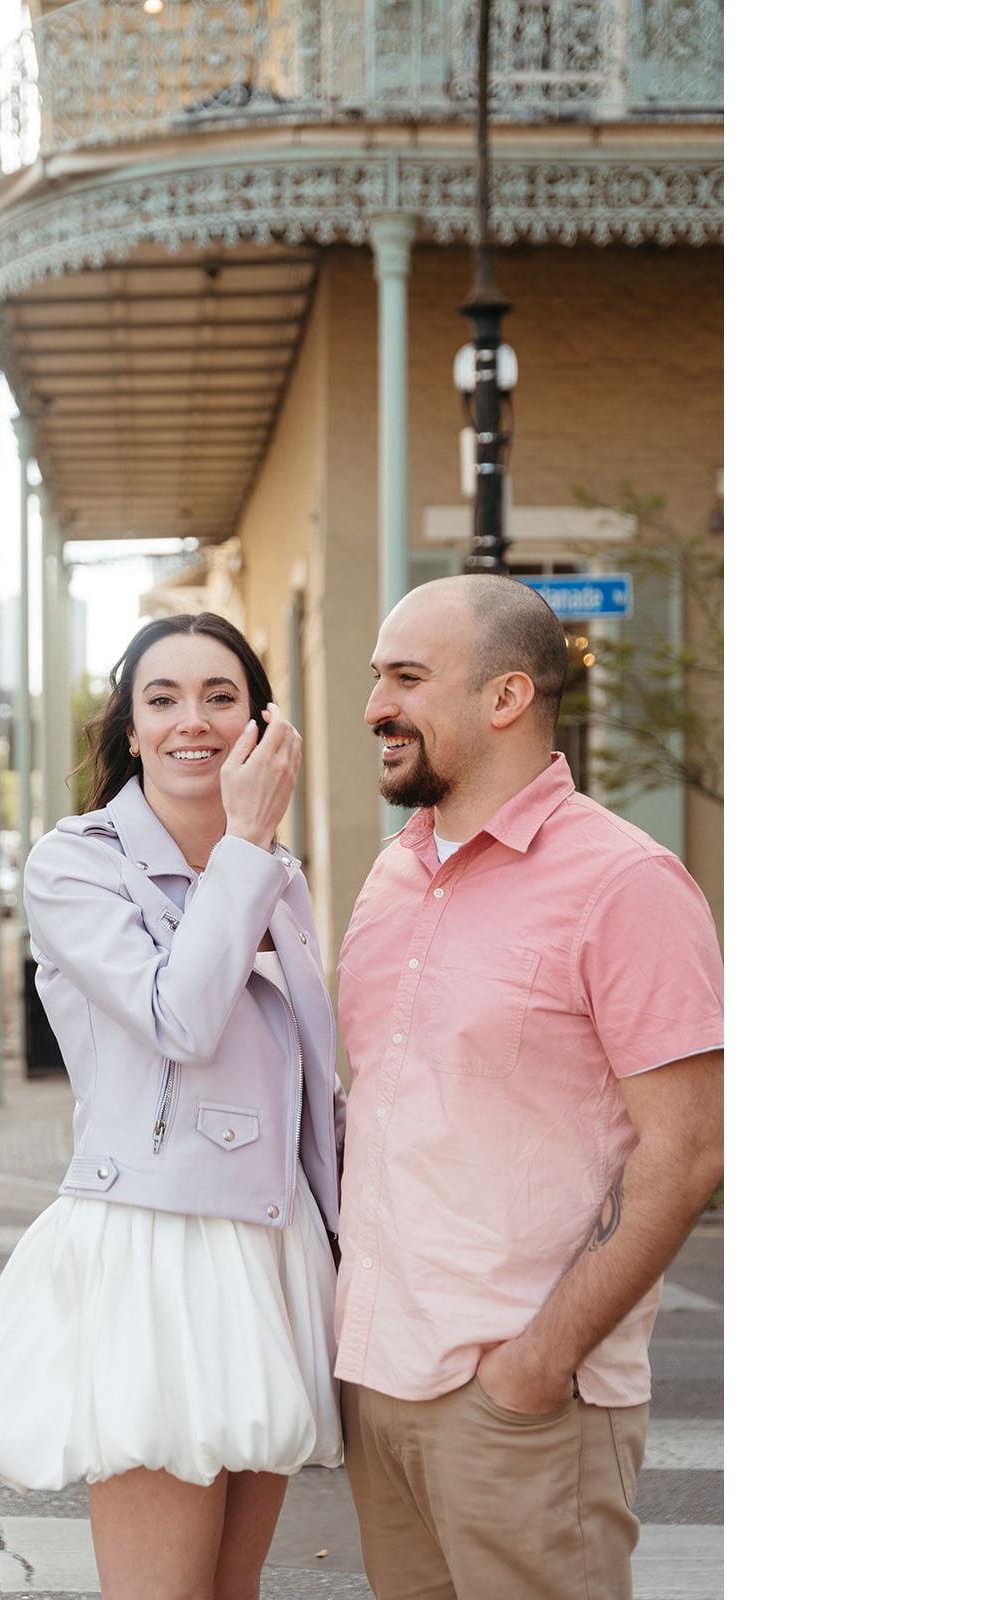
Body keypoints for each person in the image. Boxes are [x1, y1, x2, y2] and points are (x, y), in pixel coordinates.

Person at [334, 574, 724, 1600]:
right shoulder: (394, 873)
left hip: (520, 1404)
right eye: (379, 676)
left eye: (408, 677)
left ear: (506, 698)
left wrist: (534, 1366)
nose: (376, 705)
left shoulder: (625, 884)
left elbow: (688, 1149)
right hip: (377, 1382)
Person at [0, 612, 345, 1600]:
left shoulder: (278, 874)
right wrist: (246, 843)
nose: (191, 721)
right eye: (160, 699)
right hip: (157, 1244)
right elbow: (179, 1019)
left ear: (258, 721)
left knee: (231, 1591)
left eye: (221, 696)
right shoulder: (75, 861)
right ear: (128, 729)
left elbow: (309, 1079)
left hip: (272, 1241)